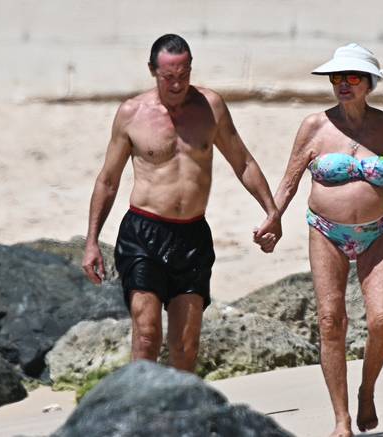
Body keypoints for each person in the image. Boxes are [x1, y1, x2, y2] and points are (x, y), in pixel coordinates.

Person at [82, 34, 281, 372]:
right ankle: (139, 417)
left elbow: (242, 162)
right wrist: (91, 242)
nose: (177, 84)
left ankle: (181, 419)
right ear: (152, 71)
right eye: (168, 77)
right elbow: (108, 180)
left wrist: (271, 211)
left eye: (184, 74)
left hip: (192, 235)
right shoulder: (131, 114)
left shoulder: (210, 107)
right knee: (146, 335)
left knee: (185, 346)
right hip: (143, 233)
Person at [271, 43, 383, 437]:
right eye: (337, 78)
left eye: (352, 77)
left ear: (369, 83)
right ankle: (341, 419)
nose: (343, 84)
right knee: (331, 321)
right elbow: (289, 181)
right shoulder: (314, 126)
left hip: (378, 232)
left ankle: (366, 390)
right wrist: (272, 219)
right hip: (326, 231)